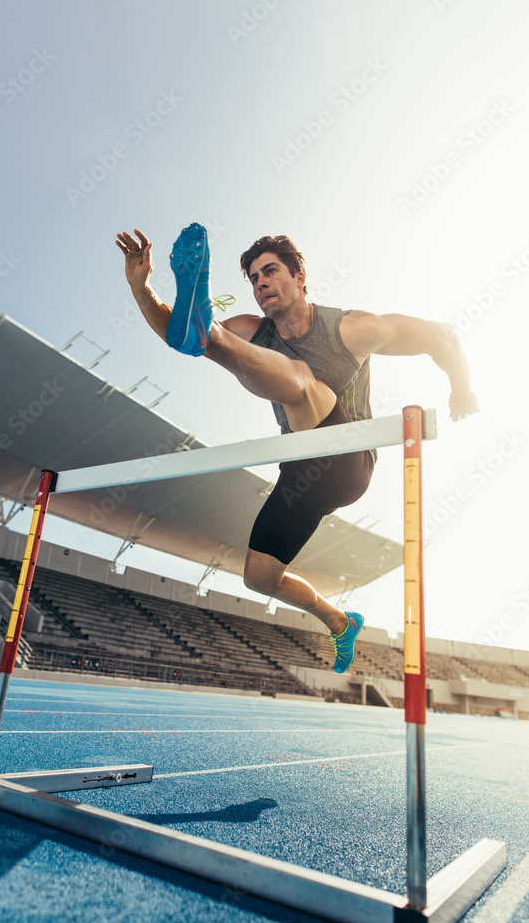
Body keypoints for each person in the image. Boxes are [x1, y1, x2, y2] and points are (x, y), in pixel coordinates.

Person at [116, 223, 479, 672]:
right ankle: (339, 621)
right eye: (252, 278)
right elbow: (176, 332)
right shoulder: (254, 329)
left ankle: (208, 332)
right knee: (259, 578)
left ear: (300, 277)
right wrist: (141, 287)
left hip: (348, 460)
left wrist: (460, 389)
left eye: (269, 271)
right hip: (300, 475)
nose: (260, 282)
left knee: (301, 379)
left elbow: (442, 336)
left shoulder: (349, 329)